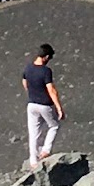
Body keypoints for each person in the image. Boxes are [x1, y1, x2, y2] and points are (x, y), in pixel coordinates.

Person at [21, 43, 65, 175]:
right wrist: (59, 108)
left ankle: (33, 161)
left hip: (31, 104)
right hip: (44, 105)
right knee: (54, 126)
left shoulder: (28, 68)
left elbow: (24, 82)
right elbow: (51, 90)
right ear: (46, 57)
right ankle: (45, 150)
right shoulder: (46, 71)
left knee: (33, 132)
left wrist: (31, 92)